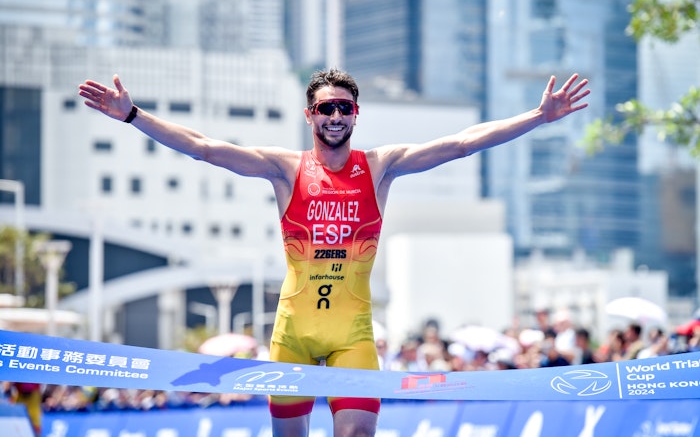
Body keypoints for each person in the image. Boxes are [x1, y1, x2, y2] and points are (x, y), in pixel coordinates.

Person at [78, 67, 589, 437]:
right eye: (327, 108)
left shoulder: (381, 166)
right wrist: (133, 116)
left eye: (345, 107)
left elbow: (461, 144)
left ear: (357, 115)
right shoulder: (285, 168)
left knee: (356, 434)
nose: (336, 116)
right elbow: (204, 148)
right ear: (310, 115)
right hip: (292, 335)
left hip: (353, 336)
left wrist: (538, 116)